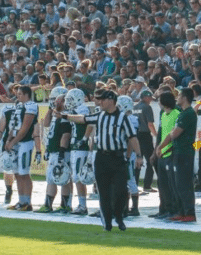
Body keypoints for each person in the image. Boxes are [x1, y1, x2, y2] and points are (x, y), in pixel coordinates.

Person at [65, 89, 141, 231]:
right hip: (102, 157)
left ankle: (118, 215)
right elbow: (83, 119)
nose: (100, 102)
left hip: (117, 157)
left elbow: (132, 137)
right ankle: (107, 221)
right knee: (104, 192)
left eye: (103, 100)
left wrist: (138, 155)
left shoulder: (123, 118)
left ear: (111, 101)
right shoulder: (100, 116)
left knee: (121, 191)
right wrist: (65, 116)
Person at [156, 87, 197, 222]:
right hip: (178, 152)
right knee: (177, 184)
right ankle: (182, 211)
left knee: (184, 184)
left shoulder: (188, 114)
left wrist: (161, 146)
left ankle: (189, 213)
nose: (177, 98)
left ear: (185, 98)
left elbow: (174, 133)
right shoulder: (183, 113)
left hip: (184, 154)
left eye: (179, 95)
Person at [36, 87, 72, 214]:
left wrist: (62, 152)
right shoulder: (55, 115)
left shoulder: (64, 117)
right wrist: (51, 109)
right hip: (53, 151)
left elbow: (66, 135)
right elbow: (45, 124)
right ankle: (59, 204)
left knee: (60, 178)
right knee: (53, 178)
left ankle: (55, 204)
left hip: (59, 152)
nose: (54, 102)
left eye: (56, 100)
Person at [5, 85, 38, 211]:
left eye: (19, 94)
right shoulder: (18, 106)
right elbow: (13, 125)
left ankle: (27, 203)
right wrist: (8, 139)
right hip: (15, 141)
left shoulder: (31, 106)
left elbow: (25, 128)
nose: (17, 96)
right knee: (17, 173)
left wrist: (12, 142)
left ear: (26, 94)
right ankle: (21, 201)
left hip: (25, 142)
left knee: (24, 173)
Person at [149, 91, 179, 220]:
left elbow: (174, 135)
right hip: (161, 152)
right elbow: (161, 133)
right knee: (162, 184)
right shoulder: (163, 114)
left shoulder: (176, 113)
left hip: (169, 153)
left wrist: (165, 149)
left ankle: (172, 209)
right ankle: (163, 209)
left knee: (170, 185)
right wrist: (155, 150)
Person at [67, 88, 92, 216]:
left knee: (78, 176)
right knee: (75, 176)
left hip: (80, 147)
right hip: (74, 147)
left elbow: (88, 123)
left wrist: (84, 139)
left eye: (71, 99)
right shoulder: (74, 110)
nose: (69, 102)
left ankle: (83, 206)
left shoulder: (82, 108)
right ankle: (81, 204)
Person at [132, 90, 156, 193]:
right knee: (151, 160)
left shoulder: (135, 107)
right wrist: (156, 134)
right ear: (146, 97)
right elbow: (150, 124)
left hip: (136, 135)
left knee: (138, 160)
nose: (151, 100)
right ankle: (147, 185)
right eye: (150, 98)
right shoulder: (147, 107)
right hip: (145, 135)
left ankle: (135, 184)